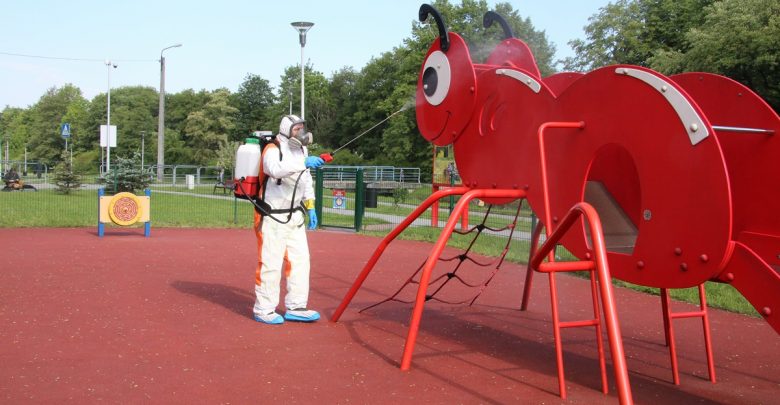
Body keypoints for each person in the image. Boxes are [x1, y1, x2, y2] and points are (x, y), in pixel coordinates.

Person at [252, 115, 325, 325]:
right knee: (270, 262)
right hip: (272, 215)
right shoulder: (272, 149)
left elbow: (306, 181)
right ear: (286, 130)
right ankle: (264, 309)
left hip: (295, 215)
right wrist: (303, 163)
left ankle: (296, 305)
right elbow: (275, 170)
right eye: (297, 129)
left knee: (301, 261)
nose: (301, 133)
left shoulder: (302, 150)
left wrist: (310, 206)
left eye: (302, 128)